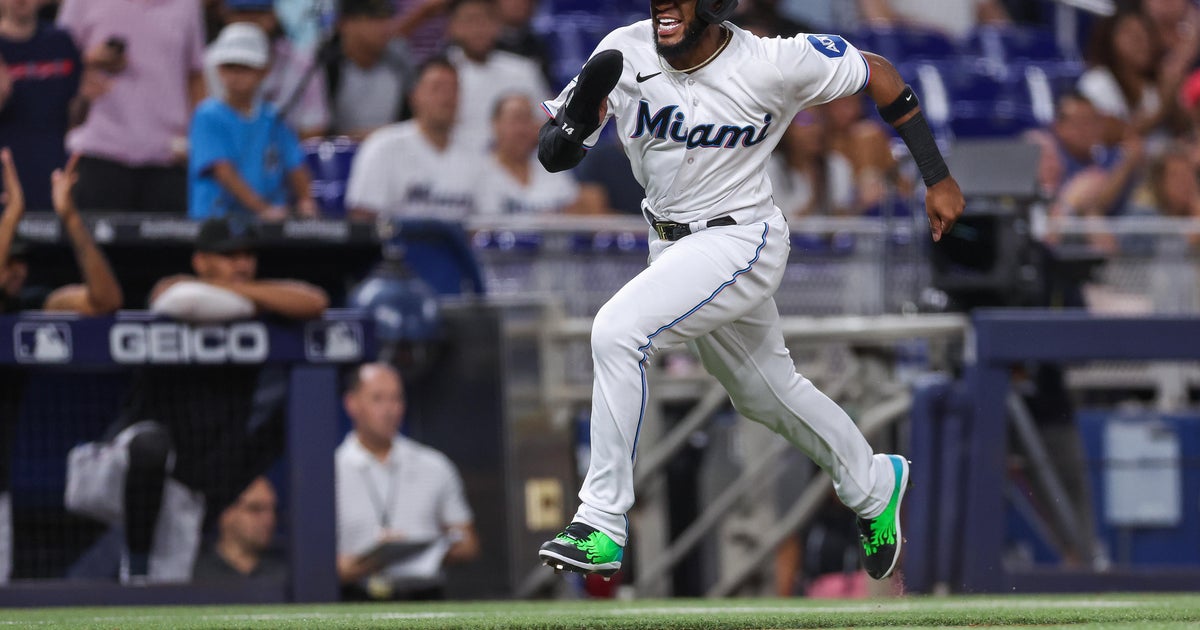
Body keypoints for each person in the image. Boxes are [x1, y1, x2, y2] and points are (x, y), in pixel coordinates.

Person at [534, 0, 964, 581]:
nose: (664, 5)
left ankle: (601, 521)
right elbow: (553, 155)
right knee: (766, 393)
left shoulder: (772, 61)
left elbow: (881, 74)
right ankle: (873, 483)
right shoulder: (622, 48)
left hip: (742, 240)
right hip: (672, 246)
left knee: (618, 332)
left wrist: (935, 177)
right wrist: (579, 119)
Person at [106, 217, 327, 583]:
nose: (241, 265)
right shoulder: (179, 288)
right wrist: (249, 297)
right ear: (201, 261)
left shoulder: (249, 299)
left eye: (247, 255)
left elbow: (314, 302)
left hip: (195, 479)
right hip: (128, 469)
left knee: (159, 592)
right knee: (149, 446)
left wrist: (245, 292)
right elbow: (176, 297)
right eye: (228, 256)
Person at [0, 148, 122, 582]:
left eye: (20, 259)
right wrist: (12, 213)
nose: (15, 269)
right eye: (7, 258)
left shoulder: (32, 305)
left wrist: (70, 219)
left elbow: (105, 301)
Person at [336, 362, 479, 601]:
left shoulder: (435, 466)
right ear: (352, 404)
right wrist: (361, 564)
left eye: (396, 399)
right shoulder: (331, 472)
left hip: (425, 597)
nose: (390, 409)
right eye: (378, 399)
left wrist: (430, 552)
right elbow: (314, 562)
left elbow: (469, 544)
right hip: (357, 598)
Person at [56, 0, 206, 213]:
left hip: (168, 156)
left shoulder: (188, 5)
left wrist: (196, 141)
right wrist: (90, 60)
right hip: (98, 151)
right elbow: (57, 59)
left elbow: (195, 74)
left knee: (169, 246)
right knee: (90, 244)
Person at [189, 23, 317, 222]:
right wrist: (263, 210)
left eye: (245, 68)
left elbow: (295, 164)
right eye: (229, 67)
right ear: (218, 70)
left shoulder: (273, 117)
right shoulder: (208, 115)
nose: (236, 76)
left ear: (263, 71)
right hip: (217, 223)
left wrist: (306, 201)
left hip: (268, 223)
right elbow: (223, 171)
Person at [344, 57, 479, 221]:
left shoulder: (476, 154)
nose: (447, 98)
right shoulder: (383, 146)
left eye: (454, 89)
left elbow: (481, 227)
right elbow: (362, 218)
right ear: (414, 96)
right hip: (397, 244)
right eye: (437, 88)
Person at [0, 0, 88, 211]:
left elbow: (76, 116)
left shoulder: (61, 41)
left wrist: (87, 96)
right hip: (7, 177)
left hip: (54, 173)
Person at [205, 0, 330, 139]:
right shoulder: (207, 61)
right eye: (242, 13)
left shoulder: (302, 65)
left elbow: (311, 138)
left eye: (258, 13)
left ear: (264, 71)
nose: (250, 21)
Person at [444, 0, 549, 155]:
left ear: (498, 25)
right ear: (453, 27)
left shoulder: (523, 69)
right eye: (470, 20)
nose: (478, 28)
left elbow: (545, 124)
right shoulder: (440, 75)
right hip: (457, 165)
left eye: (486, 19)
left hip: (516, 163)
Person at [476, 92, 580, 215]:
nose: (522, 130)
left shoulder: (551, 166)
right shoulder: (478, 171)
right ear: (496, 125)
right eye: (515, 120)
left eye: (527, 120)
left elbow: (575, 211)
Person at [327, 0, 417, 139]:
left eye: (387, 18)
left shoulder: (399, 63)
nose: (384, 27)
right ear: (345, 24)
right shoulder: (327, 68)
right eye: (373, 19)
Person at [192, 477, 287, 581]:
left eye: (274, 510)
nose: (269, 520)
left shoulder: (288, 575)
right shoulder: (192, 574)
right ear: (225, 513)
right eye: (255, 508)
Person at [768, 109, 857, 219]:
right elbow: (779, 221)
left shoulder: (837, 165)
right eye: (806, 121)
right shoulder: (770, 167)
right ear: (786, 127)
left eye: (820, 121)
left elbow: (843, 219)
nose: (816, 129)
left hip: (827, 235)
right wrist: (814, 197)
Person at [858, 0, 1010, 39]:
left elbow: (992, 15)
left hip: (964, 56)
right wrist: (931, 36)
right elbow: (879, 22)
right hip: (910, 53)